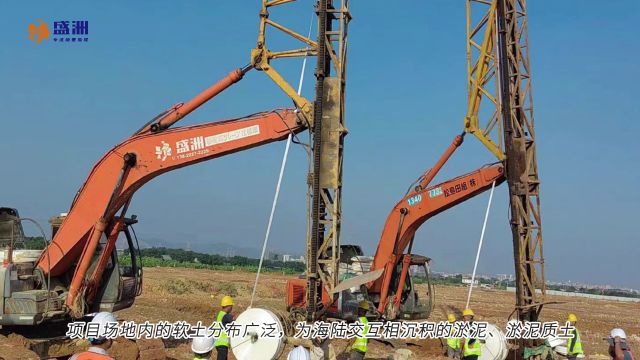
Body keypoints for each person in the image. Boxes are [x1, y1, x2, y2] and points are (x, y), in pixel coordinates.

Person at [214, 295, 235, 360]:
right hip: (222, 344)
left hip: (218, 343)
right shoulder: (226, 316)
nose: (232, 308)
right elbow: (235, 319)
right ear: (228, 306)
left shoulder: (220, 314)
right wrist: (246, 312)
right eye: (231, 306)